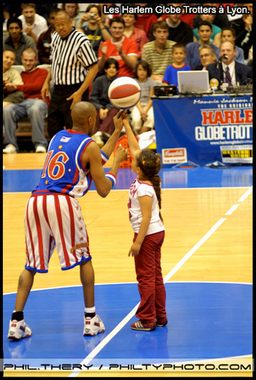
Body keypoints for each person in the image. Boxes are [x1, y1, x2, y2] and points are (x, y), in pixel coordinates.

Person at [7, 101, 127, 340]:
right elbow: (103, 188)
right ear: (92, 120)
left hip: (36, 201)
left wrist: (115, 133)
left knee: (30, 264)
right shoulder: (90, 146)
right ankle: (91, 318)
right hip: (61, 202)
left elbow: (92, 157)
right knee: (84, 259)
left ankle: (16, 321)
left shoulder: (56, 138)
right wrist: (116, 164)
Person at [122, 114, 166, 331]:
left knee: (146, 278)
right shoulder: (145, 179)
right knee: (156, 275)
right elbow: (134, 147)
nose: (132, 158)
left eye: (135, 161)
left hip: (147, 235)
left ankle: (148, 319)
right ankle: (160, 316)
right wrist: (126, 124)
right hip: (155, 233)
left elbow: (147, 218)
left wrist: (137, 242)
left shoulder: (144, 189)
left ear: (138, 169)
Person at [41, 10, 98, 139]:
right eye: (57, 25)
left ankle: (78, 157)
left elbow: (94, 68)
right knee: (53, 126)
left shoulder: (81, 40)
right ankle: (57, 156)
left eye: (63, 24)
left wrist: (79, 93)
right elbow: (54, 62)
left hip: (75, 89)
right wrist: (46, 82)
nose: (61, 28)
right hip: (58, 89)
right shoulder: (55, 37)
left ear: (71, 22)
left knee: (76, 129)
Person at [3, 48, 49, 154]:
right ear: (22, 60)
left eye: (31, 60)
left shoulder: (42, 72)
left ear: (36, 60)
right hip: (21, 103)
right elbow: (17, 92)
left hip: (38, 101)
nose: (28, 63)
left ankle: (40, 144)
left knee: (35, 108)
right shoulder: (20, 74)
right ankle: (11, 145)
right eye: (25, 60)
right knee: (7, 109)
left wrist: (17, 87)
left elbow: (36, 87)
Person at [90, 58, 119, 147]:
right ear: (105, 69)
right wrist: (100, 108)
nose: (111, 69)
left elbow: (118, 99)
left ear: (117, 70)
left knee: (114, 112)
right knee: (94, 111)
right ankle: (95, 137)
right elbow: (93, 97)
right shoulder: (99, 80)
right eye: (109, 67)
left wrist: (107, 109)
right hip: (99, 105)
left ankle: (99, 135)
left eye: (114, 68)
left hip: (113, 105)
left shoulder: (119, 81)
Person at [130, 60, 155, 134]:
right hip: (137, 105)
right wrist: (141, 111)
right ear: (136, 71)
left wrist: (146, 110)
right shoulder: (133, 82)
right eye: (140, 69)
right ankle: (138, 138)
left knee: (151, 118)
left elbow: (151, 98)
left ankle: (141, 137)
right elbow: (135, 99)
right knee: (136, 119)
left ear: (147, 71)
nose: (142, 72)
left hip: (148, 105)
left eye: (144, 70)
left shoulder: (150, 81)